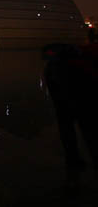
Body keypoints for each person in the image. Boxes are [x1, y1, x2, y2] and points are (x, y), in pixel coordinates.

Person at [42, 39, 98, 187]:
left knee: (68, 130)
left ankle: (73, 159)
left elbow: (52, 84)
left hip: (66, 101)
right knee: (88, 131)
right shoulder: (81, 62)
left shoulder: (54, 67)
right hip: (79, 101)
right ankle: (84, 159)